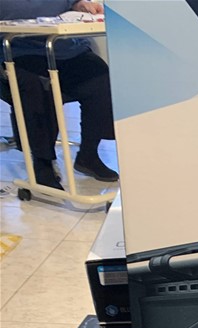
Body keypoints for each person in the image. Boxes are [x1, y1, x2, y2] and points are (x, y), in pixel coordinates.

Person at [0, 0, 117, 189]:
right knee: (37, 85)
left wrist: (80, 5)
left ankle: (88, 154)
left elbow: (72, 3)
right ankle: (43, 163)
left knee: (100, 76)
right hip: (20, 52)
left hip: (65, 49)